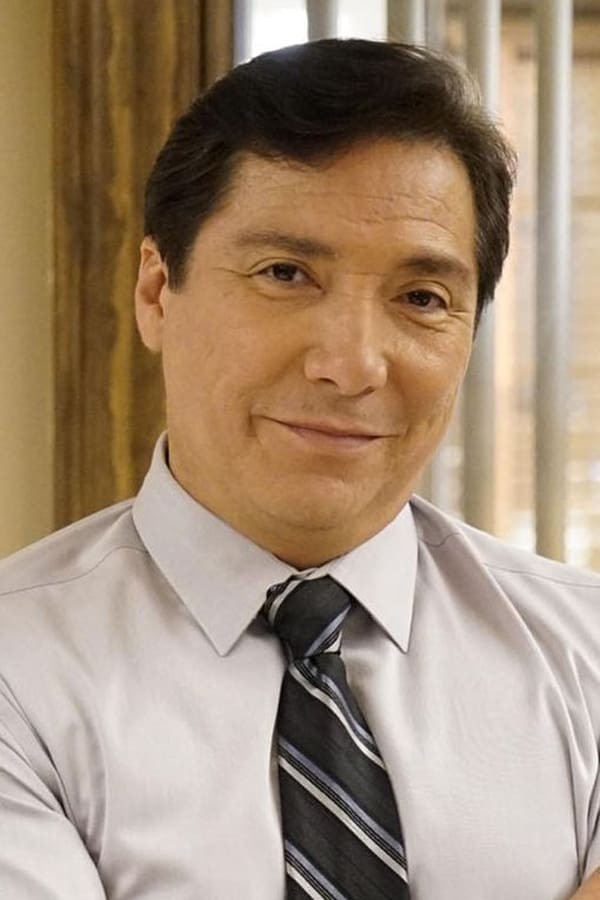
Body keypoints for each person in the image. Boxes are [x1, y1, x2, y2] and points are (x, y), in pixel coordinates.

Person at [0, 37, 599, 900]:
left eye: (422, 298)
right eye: (285, 273)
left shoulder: (586, 654)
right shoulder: (18, 670)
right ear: (157, 291)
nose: (351, 365)